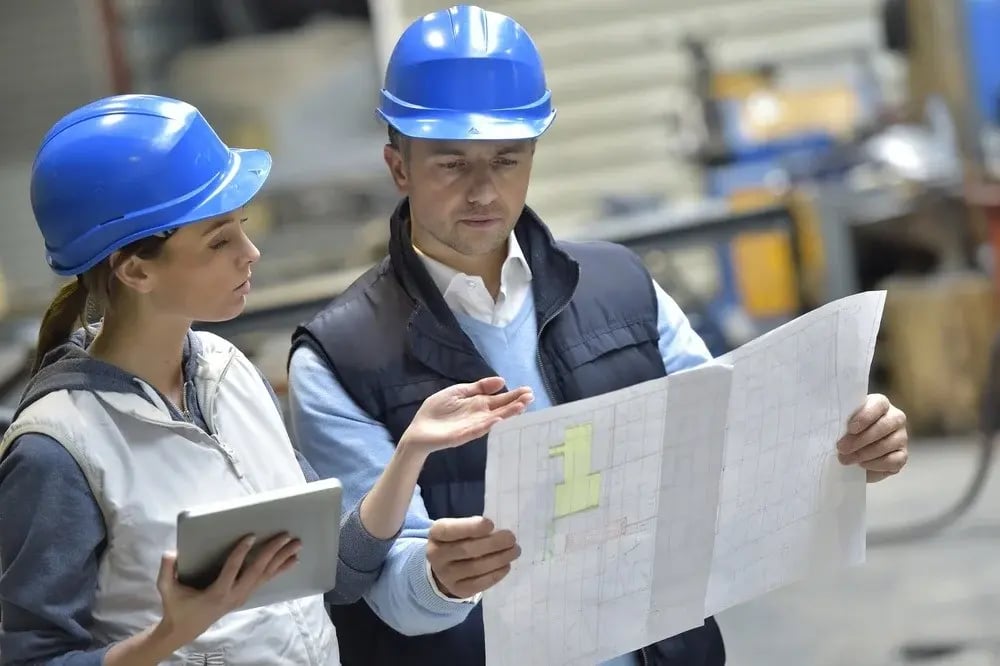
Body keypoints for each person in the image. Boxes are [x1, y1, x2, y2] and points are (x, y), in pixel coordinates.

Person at [286, 5, 910, 666]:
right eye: (450, 164)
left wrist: (840, 452)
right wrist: (441, 578)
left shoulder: (621, 286)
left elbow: (730, 450)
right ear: (398, 166)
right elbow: (377, 586)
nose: (483, 191)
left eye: (507, 160)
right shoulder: (339, 359)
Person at [0, 93, 533, 666]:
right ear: (135, 269)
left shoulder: (228, 373)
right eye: (218, 239)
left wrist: (409, 453)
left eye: (242, 227)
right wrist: (167, 636)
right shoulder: (58, 450)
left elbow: (336, 572)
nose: (250, 252)